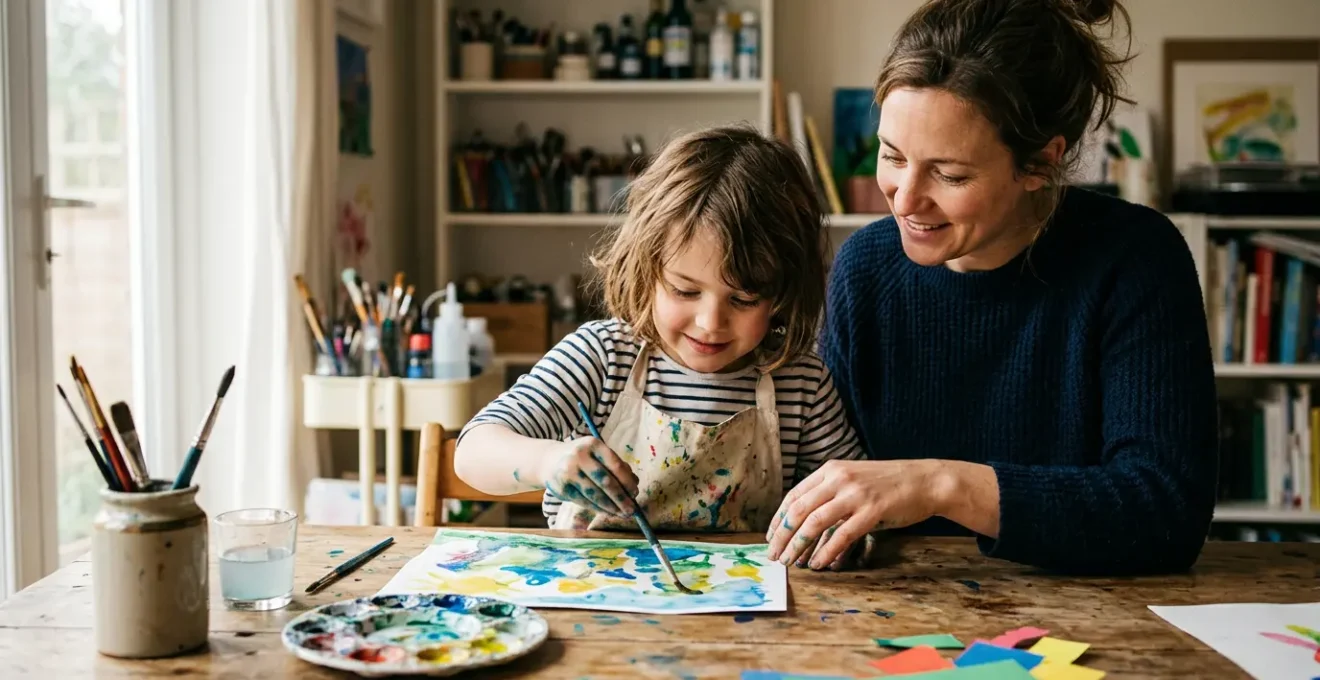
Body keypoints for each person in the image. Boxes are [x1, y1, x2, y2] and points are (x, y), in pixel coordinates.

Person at [766, 0, 1218, 575]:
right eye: (891, 155)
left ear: (1040, 164)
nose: (904, 199)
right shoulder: (863, 269)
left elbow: (1166, 513)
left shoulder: (1135, 260)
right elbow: (818, 475)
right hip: (891, 615)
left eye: (950, 175)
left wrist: (941, 484)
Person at [456, 126, 865, 562]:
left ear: (783, 293)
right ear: (646, 268)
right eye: (685, 291)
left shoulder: (800, 383)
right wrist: (547, 462)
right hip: (593, 599)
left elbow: (849, 503)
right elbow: (474, 450)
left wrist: (838, 534)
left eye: (744, 299)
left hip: (743, 613)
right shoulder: (602, 358)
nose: (711, 323)